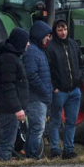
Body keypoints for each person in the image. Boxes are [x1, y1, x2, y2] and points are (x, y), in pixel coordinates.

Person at [46, 19, 84, 159]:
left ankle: (69, 148)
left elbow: (81, 64)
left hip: (74, 90)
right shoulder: (50, 47)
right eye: (60, 30)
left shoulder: (73, 45)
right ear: (55, 31)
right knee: (55, 121)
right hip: (59, 91)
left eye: (65, 29)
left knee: (71, 122)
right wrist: (54, 87)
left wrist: (79, 79)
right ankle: (55, 149)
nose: (63, 32)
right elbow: (48, 69)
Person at [0, 28, 30, 161]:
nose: (28, 44)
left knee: (8, 141)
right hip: (9, 110)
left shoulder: (12, 57)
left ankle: (3, 164)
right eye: (26, 41)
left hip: (10, 108)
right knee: (7, 142)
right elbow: (8, 86)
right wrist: (17, 108)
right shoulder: (9, 59)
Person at [21, 21, 52, 159]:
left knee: (35, 129)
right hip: (36, 98)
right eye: (47, 35)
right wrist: (45, 91)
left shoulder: (38, 50)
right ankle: (33, 156)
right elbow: (31, 75)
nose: (48, 38)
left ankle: (30, 154)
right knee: (37, 128)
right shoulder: (32, 52)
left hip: (39, 97)